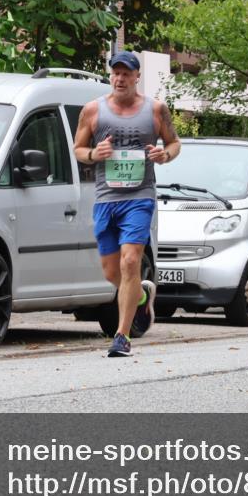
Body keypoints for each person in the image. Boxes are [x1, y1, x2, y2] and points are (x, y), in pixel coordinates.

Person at [74, 51, 181, 356]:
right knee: (112, 273)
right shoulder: (93, 110)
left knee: (131, 261)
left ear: (137, 77)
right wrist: (95, 154)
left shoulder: (155, 109)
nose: (120, 79)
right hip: (106, 198)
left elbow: (174, 143)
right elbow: (78, 149)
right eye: (115, 73)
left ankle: (122, 336)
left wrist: (165, 154)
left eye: (126, 74)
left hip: (140, 196)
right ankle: (142, 295)